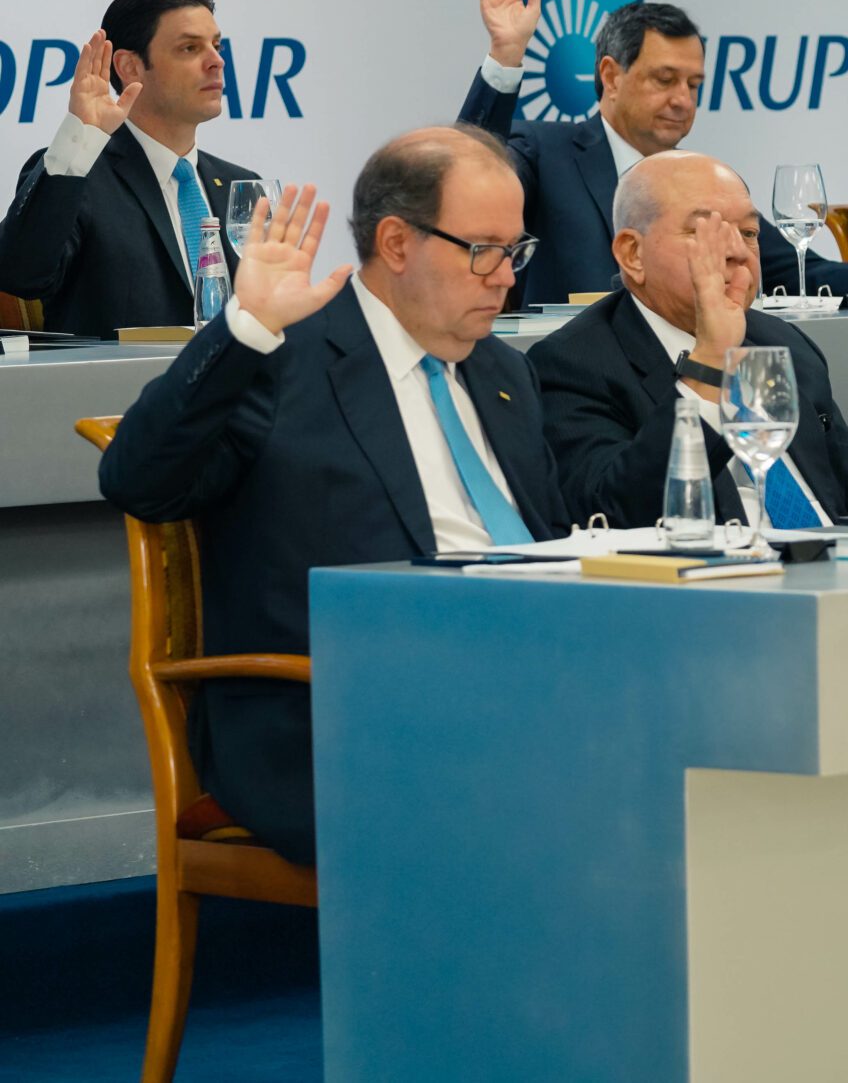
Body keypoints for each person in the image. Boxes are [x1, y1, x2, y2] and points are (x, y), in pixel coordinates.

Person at [97, 130, 576, 864]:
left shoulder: (505, 373)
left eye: (516, 250)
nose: (506, 277)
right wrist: (243, 328)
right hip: (338, 712)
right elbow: (136, 479)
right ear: (397, 242)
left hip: (526, 683)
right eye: (484, 250)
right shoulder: (280, 358)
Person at [459, 0, 848, 305]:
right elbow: (464, 178)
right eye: (665, 79)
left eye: (694, 84)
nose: (683, 100)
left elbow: (802, 275)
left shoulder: (703, 181)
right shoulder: (543, 152)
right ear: (611, 76)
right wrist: (505, 57)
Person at [528, 151, 848, 528]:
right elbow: (613, 513)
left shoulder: (782, 342)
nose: (738, 252)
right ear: (633, 254)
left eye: (749, 234)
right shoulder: (573, 365)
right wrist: (710, 362)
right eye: (706, 233)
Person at [1, 0, 247, 337]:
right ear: (130, 67)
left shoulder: (241, 187)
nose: (217, 61)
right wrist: (82, 135)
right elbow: (21, 275)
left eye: (217, 45)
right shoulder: (78, 175)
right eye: (190, 48)